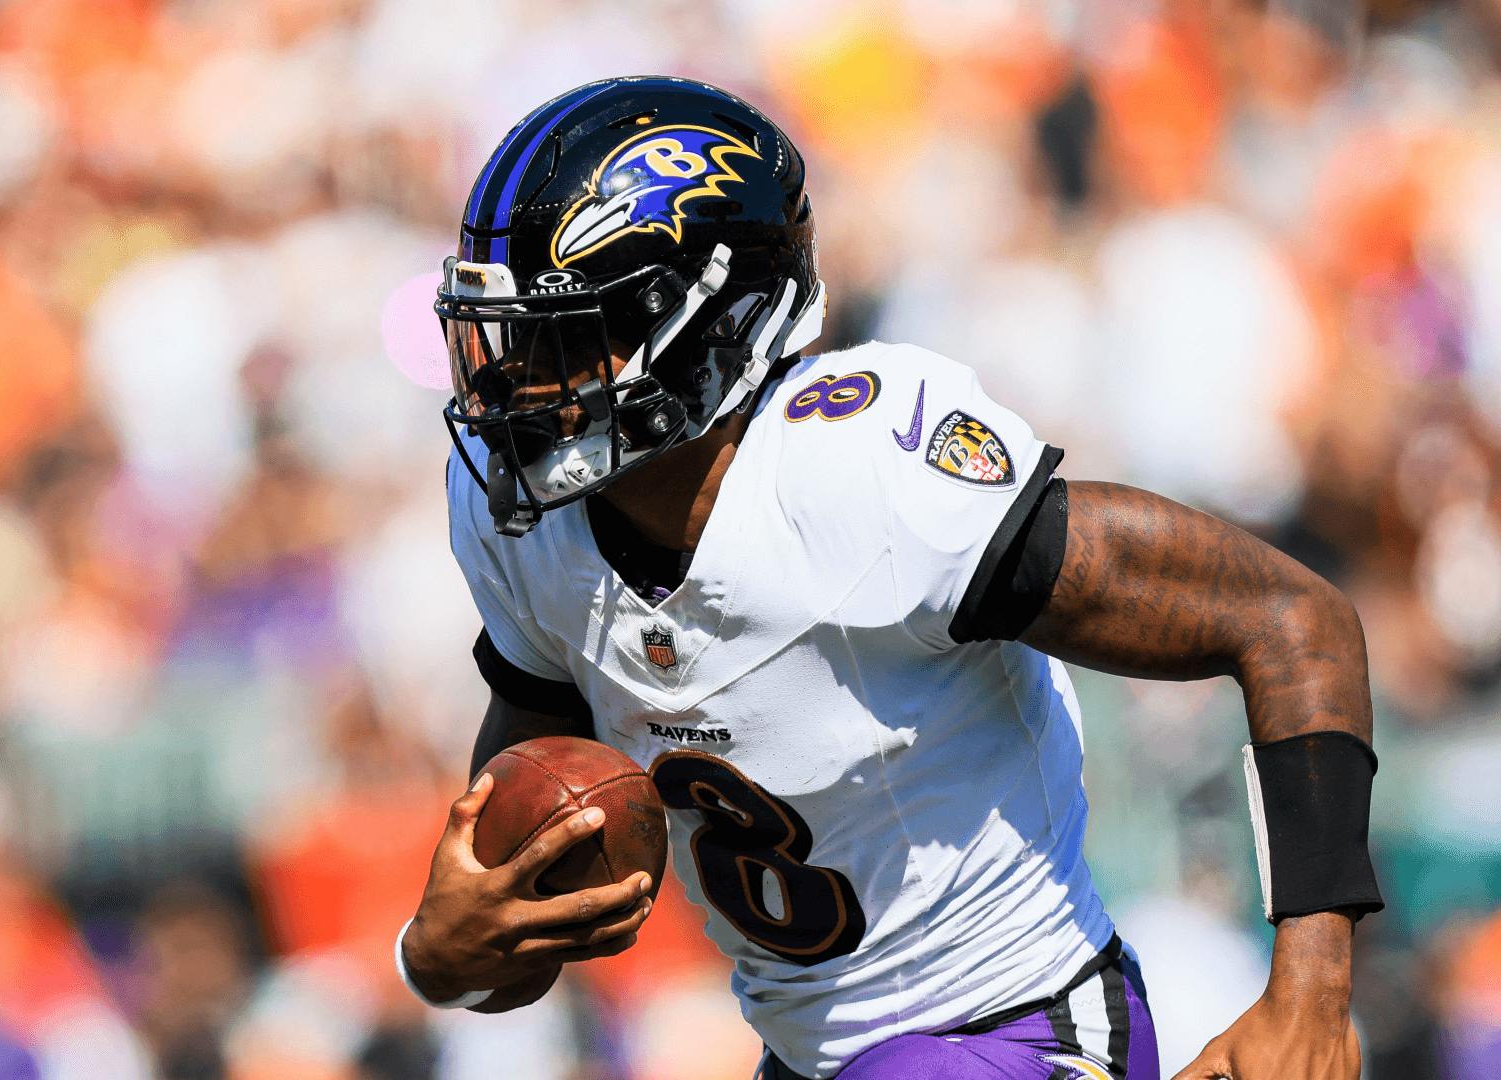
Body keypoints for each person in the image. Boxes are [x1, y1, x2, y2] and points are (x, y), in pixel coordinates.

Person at [395, 76, 1381, 1080]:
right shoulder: (523, 530)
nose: (510, 388)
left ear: (698, 327)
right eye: (503, 342)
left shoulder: (857, 473)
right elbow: (511, 923)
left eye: (560, 343)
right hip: (804, 1060)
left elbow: (1291, 618)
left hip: (1017, 1027)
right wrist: (437, 957)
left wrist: (1311, 996)